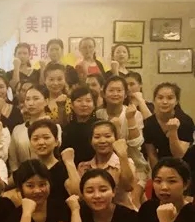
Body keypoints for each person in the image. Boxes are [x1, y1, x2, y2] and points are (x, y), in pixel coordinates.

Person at [142, 83, 195, 199]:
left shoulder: (185, 121)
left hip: (187, 163)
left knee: (183, 202)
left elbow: (178, 154)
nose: (164, 102)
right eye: (160, 98)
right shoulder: (149, 123)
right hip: (163, 162)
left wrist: (173, 131)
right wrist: (158, 176)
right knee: (160, 200)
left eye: (170, 98)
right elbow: (152, 154)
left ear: (176, 101)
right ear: (154, 100)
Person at [96, 76, 148, 204]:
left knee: (132, 200)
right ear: (103, 94)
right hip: (107, 166)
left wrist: (130, 119)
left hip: (135, 166)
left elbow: (136, 143)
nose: (115, 94)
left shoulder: (134, 113)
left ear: (125, 95)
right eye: (111, 90)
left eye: (119, 90)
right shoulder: (98, 114)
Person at [77, 122, 136, 209]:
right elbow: (79, 196)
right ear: (91, 141)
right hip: (93, 213)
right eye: (97, 137)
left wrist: (123, 156)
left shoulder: (126, 162)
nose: (102, 141)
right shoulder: (84, 167)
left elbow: (128, 187)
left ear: (115, 139)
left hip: (123, 212)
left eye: (108, 136)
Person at [9, 86, 62, 175]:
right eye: (27, 99)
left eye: (36, 99)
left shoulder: (55, 127)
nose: (30, 103)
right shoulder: (18, 129)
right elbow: (13, 160)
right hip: (23, 177)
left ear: (46, 101)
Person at [27, 120, 80, 202]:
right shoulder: (28, 168)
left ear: (56, 141)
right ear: (30, 143)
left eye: (46, 137)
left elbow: (78, 194)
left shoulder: (64, 167)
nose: (41, 142)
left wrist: (69, 162)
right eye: (35, 139)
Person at [60, 86, 97, 165]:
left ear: (94, 106)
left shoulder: (100, 126)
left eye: (88, 101)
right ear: (72, 105)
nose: (84, 104)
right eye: (79, 101)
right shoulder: (67, 129)